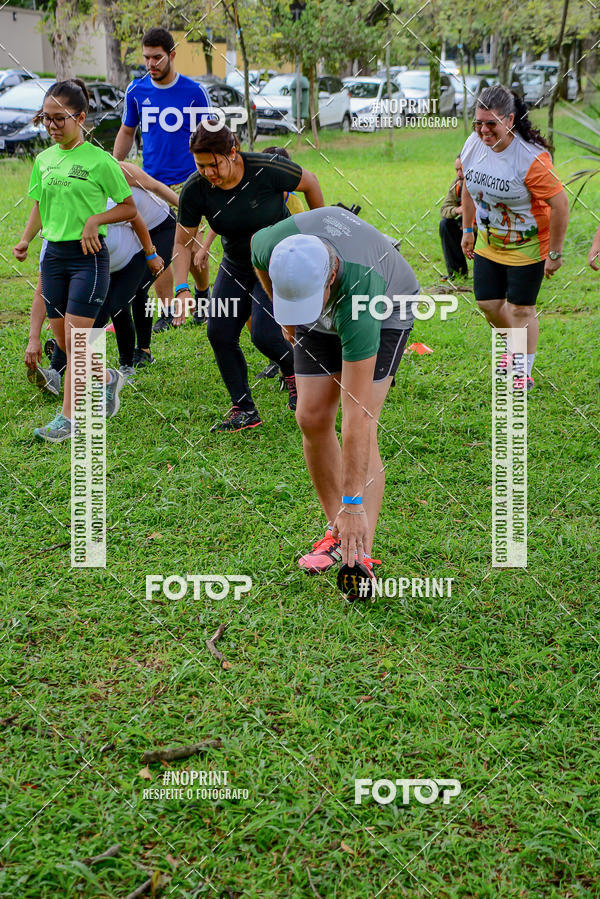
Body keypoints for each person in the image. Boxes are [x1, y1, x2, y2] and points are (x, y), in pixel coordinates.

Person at [251, 206, 420, 577]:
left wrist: (354, 503)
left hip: (387, 305)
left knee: (362, 422)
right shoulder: (272, 245)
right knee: (310, 416)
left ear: (329, 277)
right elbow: (256, 255)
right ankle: (337, 531)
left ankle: (360, 549)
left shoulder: (362, 294)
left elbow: (356, 414)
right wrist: (287, 316)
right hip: (319, 298)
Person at [173, 122, 324, 432]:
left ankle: (307, 373)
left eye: (213, 164)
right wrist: (181, 288)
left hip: (279, 260)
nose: (207, 172)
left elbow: (310, 182)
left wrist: (319, 233)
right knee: (219, 333)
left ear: (233, 151)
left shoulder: (266, 168)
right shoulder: (195, 189)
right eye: (200, 165)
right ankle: (244, 409)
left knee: (266, 335)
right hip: (237, 264)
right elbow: (181, 242)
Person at [13, 79, 136, 442]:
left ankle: (68, 418)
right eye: (46, 119)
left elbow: (128, 207)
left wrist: (95, 220)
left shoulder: (100, 161)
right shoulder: (43, 160)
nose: (51, 126)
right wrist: (24, 239)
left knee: (77, 341)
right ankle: (108, 378)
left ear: (80, 118)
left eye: (59, 119)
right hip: (53, 257)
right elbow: (39, 206)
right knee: (64, 342)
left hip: (89, 257)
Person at [460, 85, 569, 390]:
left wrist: (555, 253)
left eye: (491, 123)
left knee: (520, 309)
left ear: (509, 119)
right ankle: (514, 350)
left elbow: (560, 205)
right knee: (488, 304)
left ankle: (522, 369)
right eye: (478, 123)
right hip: (489, 241)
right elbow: (467, 186)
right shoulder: (473, 145)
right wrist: (467, 230)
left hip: (529, 243)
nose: (484, 131)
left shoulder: (529, 159)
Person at [113, 27, 212, 332]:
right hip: (150, 182)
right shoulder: (136, 90)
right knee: (155, 247)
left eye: (157, 57)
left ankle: (203, 297)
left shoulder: (195, 92)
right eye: (146, 58)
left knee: (193, 249)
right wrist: (114, 165)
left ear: (171, 55)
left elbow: (207, 136)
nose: (151, 63)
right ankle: (168, 311)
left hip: (188, 182)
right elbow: (128, 131)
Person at [439, 155, 475, 279]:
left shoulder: (482, 183)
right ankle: (458, 272)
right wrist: (457, 210)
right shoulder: (457, 184)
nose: (459, 174)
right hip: (465, 229)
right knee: (445, 225)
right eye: (456, 170)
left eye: (462, 169)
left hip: (483, 230)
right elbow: (444, 209)